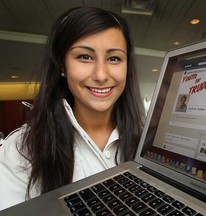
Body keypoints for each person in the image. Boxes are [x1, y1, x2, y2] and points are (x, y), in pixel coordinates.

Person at [0, 7, 145, 210]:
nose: (101, 75)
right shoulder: (21, 149)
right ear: (62, 65)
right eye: (85, 57)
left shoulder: (148, 142)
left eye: (114, 58)